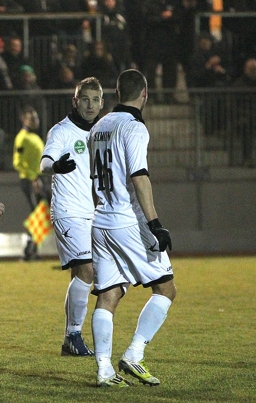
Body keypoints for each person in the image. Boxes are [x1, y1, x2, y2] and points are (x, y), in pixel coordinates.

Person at [88, 69, 176, 387]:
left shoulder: (98, 126)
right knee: (166, 288)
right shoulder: (134, 127)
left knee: (109, 293)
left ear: (115, 92)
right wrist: (155, 224)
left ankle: (104, 372)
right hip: (125, 220)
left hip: (99, 221)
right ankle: (134, 356)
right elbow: (139, 176)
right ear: (145, 93)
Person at [40, 77, 104, 357]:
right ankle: (74, 335)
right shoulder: (62, 131)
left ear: (102, 103)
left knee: (98, 275)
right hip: (67, 211)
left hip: (93, 213)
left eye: (95, 100)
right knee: (86, 270)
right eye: (85, 99)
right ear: (75, 101)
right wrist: (55, 166)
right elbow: (43, 163)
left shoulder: (101, 132)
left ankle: (71, 340)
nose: (90, 105)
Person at [13, 106, 47, 261]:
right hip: (30, 180)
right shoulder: (22, 138)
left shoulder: (34, 137)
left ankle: (33, 251)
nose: (36, 121)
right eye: (32, 118)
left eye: (36, 118)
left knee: (40, 216)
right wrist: (33, 178)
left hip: (38, 179)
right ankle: (28, 251)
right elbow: (17, 162)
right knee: (36, 215)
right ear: (24, 120)